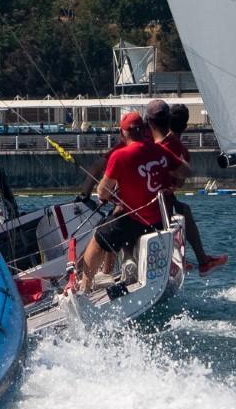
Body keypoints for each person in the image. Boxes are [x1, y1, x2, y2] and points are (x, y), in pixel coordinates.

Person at [77, 111, 189, 293]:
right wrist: (170, 178)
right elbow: (185, 172)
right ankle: (128, 263)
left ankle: (84, 287)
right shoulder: (160, 150)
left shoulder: (120, 156)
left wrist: (103, 197)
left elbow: (103, 191)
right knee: (118, 222)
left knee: (99, 238)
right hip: (160, 219)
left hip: (136, 219)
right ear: (144, 130)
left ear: (122, 134)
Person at [153, 101, 227, 275]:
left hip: (147, 197)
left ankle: (180, 259)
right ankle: (201, 261)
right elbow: (180, 183)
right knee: (184, 211)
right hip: (162, 201)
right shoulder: (182, 152)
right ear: (185, 126)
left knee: (181, 211)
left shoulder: (154, 143)